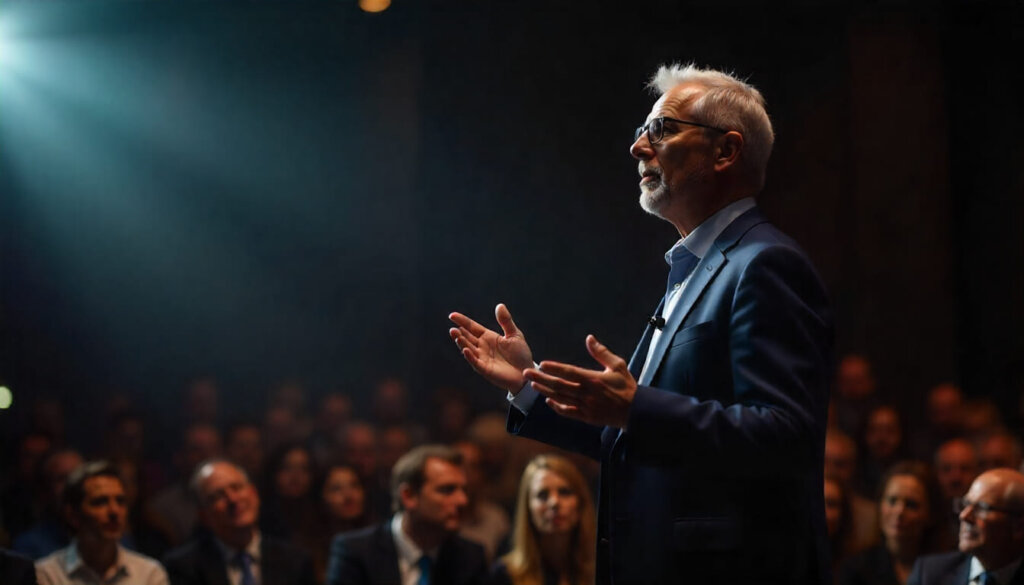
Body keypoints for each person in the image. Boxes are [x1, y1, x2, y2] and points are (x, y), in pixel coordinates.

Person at [449, 63, 833, 584]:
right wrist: (528, 384)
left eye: (662, 129)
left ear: (726, 151)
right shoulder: (696, 268)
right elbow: (634, 439)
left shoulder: (764, 264)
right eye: (641, 132)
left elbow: (785, 436)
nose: (638, 148)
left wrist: (639, 407)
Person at [325, 445, 488, 585]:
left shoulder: (470, 557)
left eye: (463, 490)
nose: (462, 500)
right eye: (447, 490)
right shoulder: (356, 553)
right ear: (409, 496)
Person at [162, 459, 315, 585]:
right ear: (204, 515)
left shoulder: (296, 561)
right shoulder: (183, 567)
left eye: (237, 487)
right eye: (218, 495)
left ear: (254, 494)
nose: (233, 499)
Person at [34, 461, 168, 585]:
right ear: (73, 515)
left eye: (120, 501)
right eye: (101, 502)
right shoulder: (48, 574)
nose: (114, 511)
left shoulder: (149, 574)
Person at [908, 468, 1024, 585]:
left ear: (1018, 526)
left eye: (982, 508)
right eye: (966, 504)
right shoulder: (929, 574)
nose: (964, 516)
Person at [492, 454, 596, 585]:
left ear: (581, 502)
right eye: (542, 495)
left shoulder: (603, 571)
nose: (554, 503)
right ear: (528, 507)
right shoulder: (504, 575)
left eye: (564, 492)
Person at [838, 462, 941, 585]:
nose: (899, 512)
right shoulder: (857, 567)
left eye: (911, 504)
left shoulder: (946, 568)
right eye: (892, 501)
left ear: (930, 514)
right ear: (880, 506)